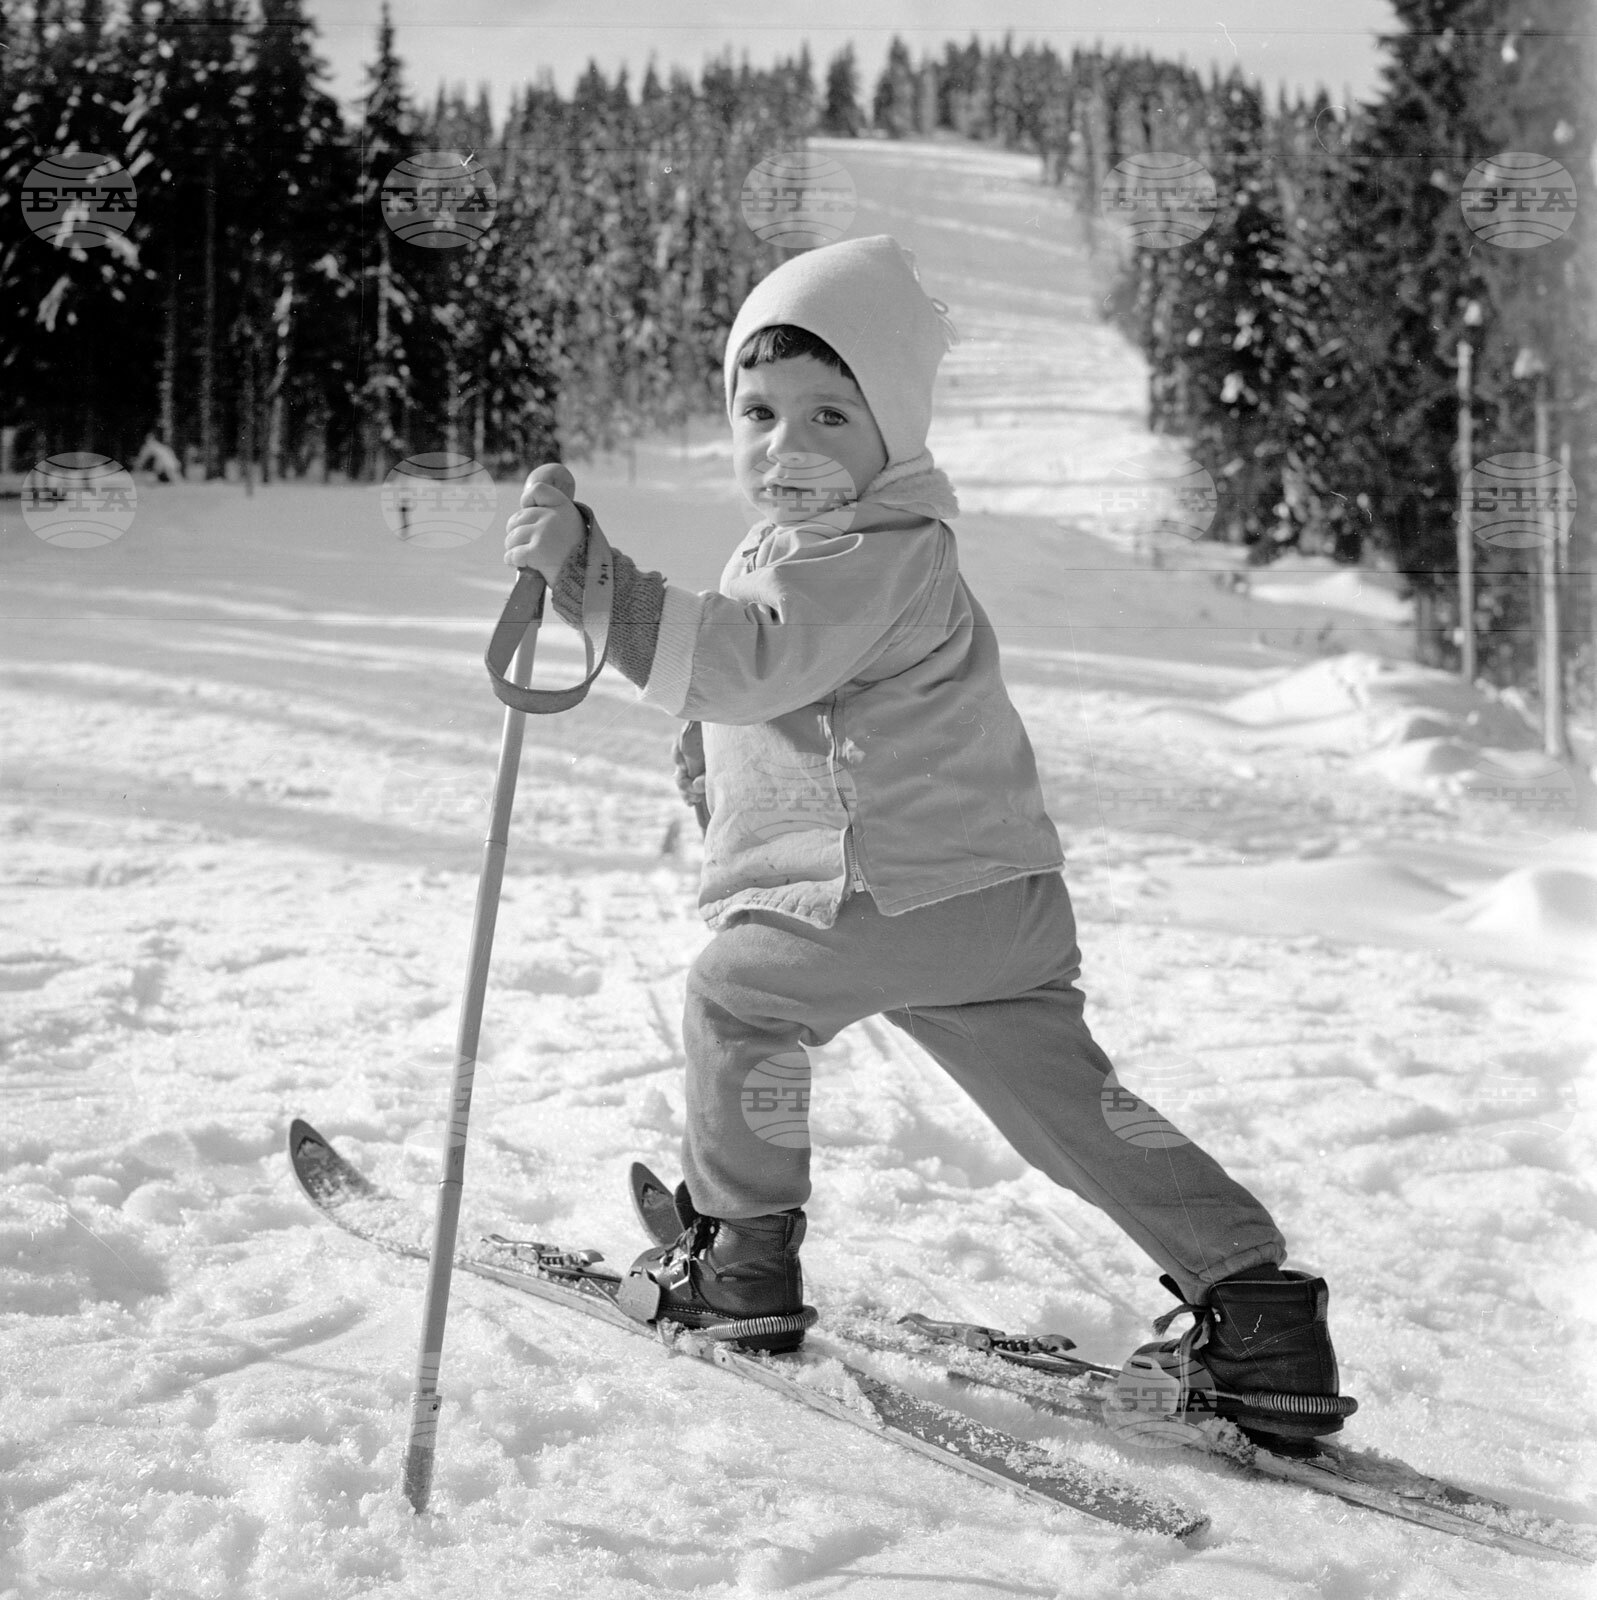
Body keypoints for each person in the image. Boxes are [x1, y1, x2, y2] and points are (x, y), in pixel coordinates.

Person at [504, 235, 1345, 1453]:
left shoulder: (869, 547)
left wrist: (591, 581)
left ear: (893, 432)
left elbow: (749, 660)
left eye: (829, 415)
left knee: (736, 1001)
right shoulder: (852, 547)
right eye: (758, 412)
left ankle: (739, 1260)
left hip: (875, 893)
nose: (786, 448)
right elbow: (764, 690)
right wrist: (705, 759)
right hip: (990, 903)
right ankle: (1257, 1306)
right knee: (1075, 1104)